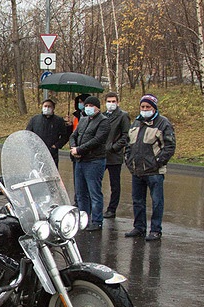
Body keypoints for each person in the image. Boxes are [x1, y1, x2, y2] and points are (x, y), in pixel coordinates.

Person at [123, 94, 176, 242]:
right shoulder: (136, 123)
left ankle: (155, 230)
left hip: (154, 171)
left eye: (148, 107)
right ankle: (139, 227)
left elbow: (169, 146)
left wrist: (158, 162)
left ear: (154, 108)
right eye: (142, 107)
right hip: (137, 170)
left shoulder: (163, 123)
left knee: (157, 201)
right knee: (137, 201)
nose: (145, 109)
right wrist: (128, 159)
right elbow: (128, 144)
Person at [69, 95, 110, 231]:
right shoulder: (84, 120)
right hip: (80, 160)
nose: (87, 108)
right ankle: (83, 218)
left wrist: (80, 149)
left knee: (94, 192)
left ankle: (97, 221)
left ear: (97, 107)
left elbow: (97, 140)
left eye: (90, 106)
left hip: (94, 161)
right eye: (86, 106)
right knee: (80, 193)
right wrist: (74, 148)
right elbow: (73, 135)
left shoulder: (103, 121)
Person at [101, 91, 130, 219]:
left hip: (114, 155)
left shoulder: (123, 116)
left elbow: (126, 135)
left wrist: (114, 147)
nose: (111, 104)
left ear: (118, 102)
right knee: (95, 182)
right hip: (100, 154)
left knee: (115, 184)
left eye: (113, 101)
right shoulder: (102, 115)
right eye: (109, 101)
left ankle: (112, 209)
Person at [24, 98, 71, 166]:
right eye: (45, 106)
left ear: (53, 108)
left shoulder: (58, 120)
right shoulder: (35, 119)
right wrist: (33, 146)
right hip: (36, 152)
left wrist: (56, 145)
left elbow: (65, 136)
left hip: (52, 153)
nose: (47, 108)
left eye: (49, 106)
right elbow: (28, 134)